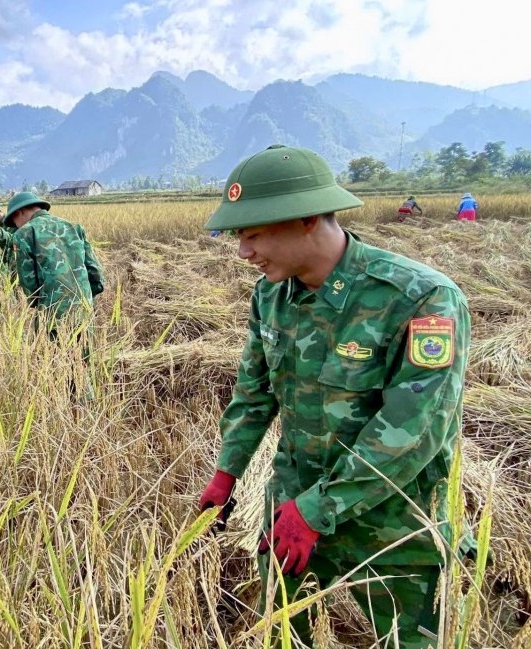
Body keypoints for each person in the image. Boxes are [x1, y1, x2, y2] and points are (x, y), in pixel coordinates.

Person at [198, 144, 472, 648]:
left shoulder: (420, 299)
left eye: (254, 234)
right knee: (282, 636)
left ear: (306, 219)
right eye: (239, 236)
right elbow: (254, 392)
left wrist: (320, 510)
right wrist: (226, 471)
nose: (243, 252)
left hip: (393, 527)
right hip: (293, 515)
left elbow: (414, 429)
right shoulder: (271, 296)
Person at [5, 191, 105, 326]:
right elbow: (95, 271)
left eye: (14, 222)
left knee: (54, 347)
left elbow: (28, 283)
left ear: (20, 212)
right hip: (84, 308)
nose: (16, 226)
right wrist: (87, 297)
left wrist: (37, 304)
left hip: (52, 312)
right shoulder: (74, 227)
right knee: (85, 346)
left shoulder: (23, 234)